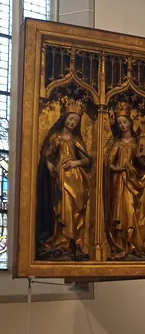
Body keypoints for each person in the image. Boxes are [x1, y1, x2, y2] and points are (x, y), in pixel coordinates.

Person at [37, 100, 93, 260]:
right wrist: (49, 165)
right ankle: (59, 242)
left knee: (75, 210)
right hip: (60, 178)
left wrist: (75, 162)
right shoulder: (56, 137)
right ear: (64, 118)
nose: (72, 123)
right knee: (61, 208)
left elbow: (88, 160)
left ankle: (73, 244)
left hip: (75, 179)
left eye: (76, 121)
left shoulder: (77, 140)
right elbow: (46, 157)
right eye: (70, 119)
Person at [105, 103, 145, 260]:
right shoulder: (117, 144)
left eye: (124, 122)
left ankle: (134, 246)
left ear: (131, 122)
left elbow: (144, 165)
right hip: (119, 182)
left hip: (133, 182)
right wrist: (118, 169)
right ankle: (121, 246)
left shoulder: (137, 142)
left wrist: (140, 160)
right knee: (120, 214)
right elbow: (108, 164)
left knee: (131, 211)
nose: (122, 125)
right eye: (119, 123)